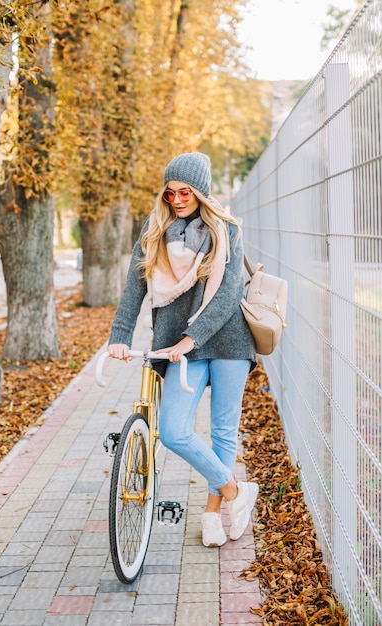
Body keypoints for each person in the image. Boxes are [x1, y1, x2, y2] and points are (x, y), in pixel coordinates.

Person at [107, 152, 258, 547]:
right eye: (170, 192)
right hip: (179, 347)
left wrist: (192, 337)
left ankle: (212, 517)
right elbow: (134, 288)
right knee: (173, 431)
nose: (176, 199)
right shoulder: (154, 230)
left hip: (228, 341)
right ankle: (236, 492)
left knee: (224, 432)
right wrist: (119, 336)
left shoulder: (226, 229)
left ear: (201, 192)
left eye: (185, 192)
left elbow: (226, 295)